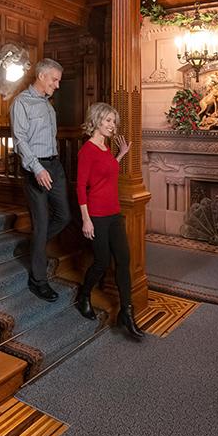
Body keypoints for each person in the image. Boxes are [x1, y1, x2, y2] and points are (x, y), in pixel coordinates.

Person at [75, 102, 145, 340]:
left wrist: (120, 155)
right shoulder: (87, 150)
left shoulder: (105, 148)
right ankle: (84, 295)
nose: (112, 125)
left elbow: (105, 173)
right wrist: (86, 220)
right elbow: (82, 188)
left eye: (113, 122)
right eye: (107, 121)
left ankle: (126, 312)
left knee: (124, 260)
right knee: (102, 262)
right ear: (96, 121)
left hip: (114, 213)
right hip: (96, 215)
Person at [9, 58, 71, 301]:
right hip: (36, 169)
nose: (57, 85)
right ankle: (38, 280)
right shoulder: (21, 103)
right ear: (42, 76)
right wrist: (37, 168)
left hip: (54, 165)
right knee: (42, 222)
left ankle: (34, 244)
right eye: (54, 80)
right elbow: (20, 141)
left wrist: (51, 167)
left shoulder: (47, 104)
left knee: (64, 216)